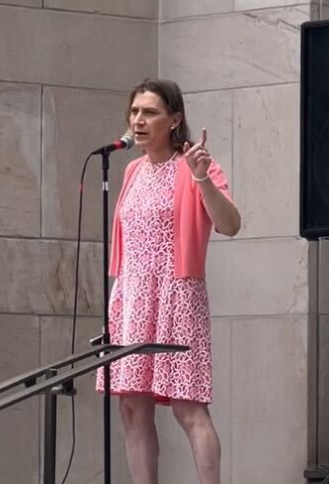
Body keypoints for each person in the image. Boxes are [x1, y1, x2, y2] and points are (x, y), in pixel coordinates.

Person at [95, 77, 240, 484]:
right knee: (131, 406)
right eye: (134, 111)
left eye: (150, 112)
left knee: (187, 406)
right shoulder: (132, 170)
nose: (138, 120)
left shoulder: (196, 165)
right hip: (132, 297)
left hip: (176, 296)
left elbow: (230, 225)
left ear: (174, 119)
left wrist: (201, 178)